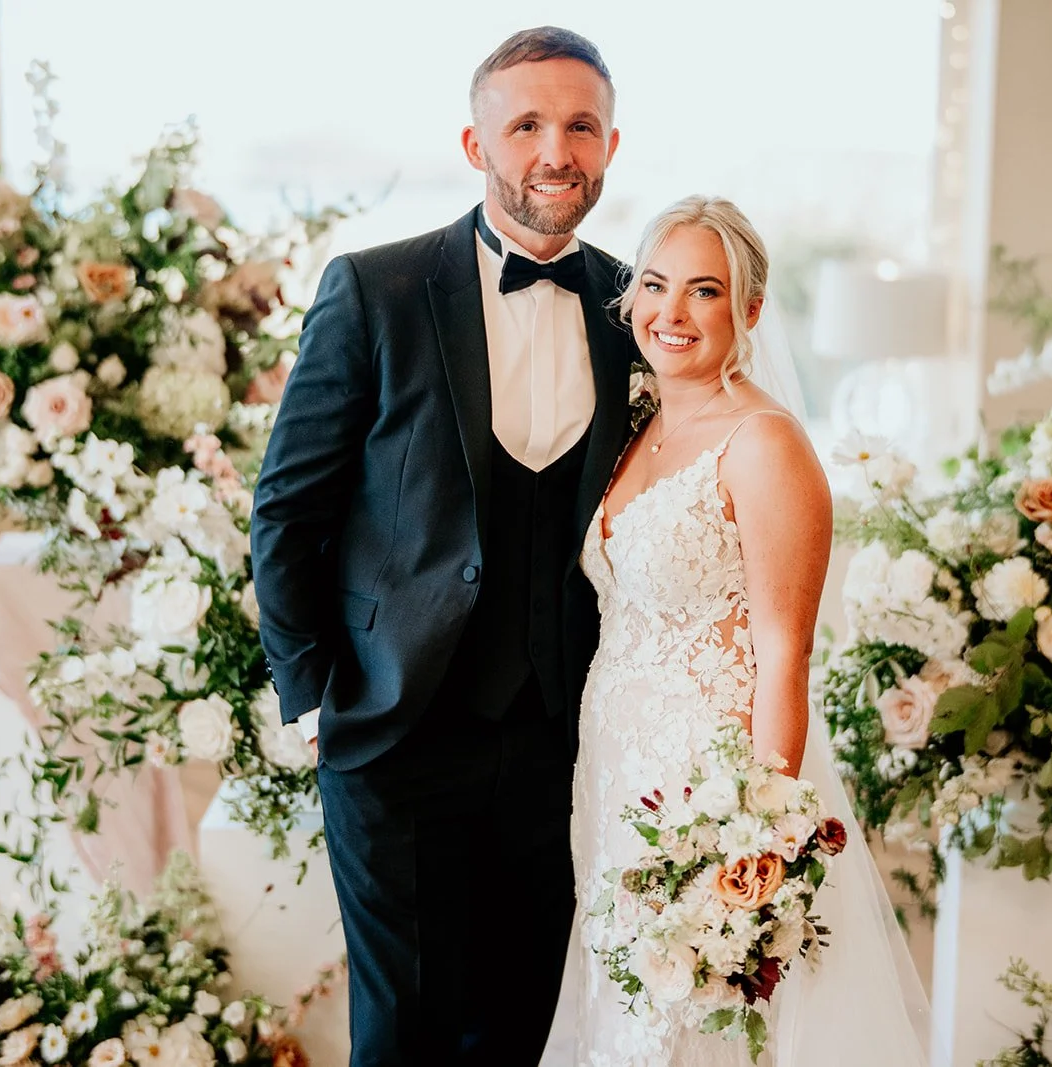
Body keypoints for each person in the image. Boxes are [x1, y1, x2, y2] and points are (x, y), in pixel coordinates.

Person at [249, 27, 639, 1066]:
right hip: (393, 727)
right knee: (403, 1026)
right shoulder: (374, 290)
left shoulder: (639, 308)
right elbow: (287, 505)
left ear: (610, 145)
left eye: (579, 125)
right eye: (526, 124)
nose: (553, 149)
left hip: (564, 735)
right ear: (476, 144)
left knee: (525, 1018)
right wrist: (312, 692)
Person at [569, 196, 932, 1065]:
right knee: (622, 1008)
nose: (673, 312)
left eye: (705, 291)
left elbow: (784, 654)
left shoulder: (765, 444)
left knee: (699, 1019)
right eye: (656, 285)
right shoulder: (638, 425)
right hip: (614, 775)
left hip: (707, 789)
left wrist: (754, 836)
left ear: (751, 311)